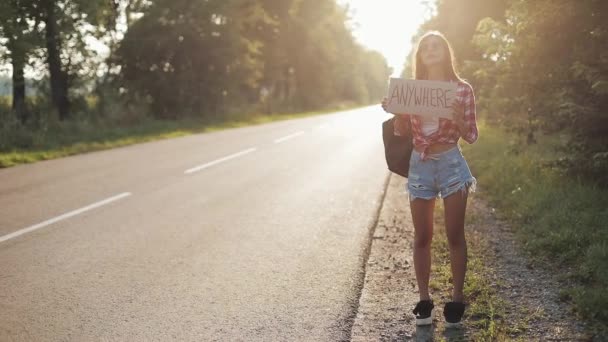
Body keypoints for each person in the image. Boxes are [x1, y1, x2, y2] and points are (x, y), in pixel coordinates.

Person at [381, 30, 479, 328]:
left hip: (451, 163)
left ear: (446, 52)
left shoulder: (462, 90)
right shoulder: (413, 91)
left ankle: (457, 300)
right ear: (420, 56)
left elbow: (471, 135)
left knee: (454, 234)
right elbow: (401, 131)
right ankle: (424, 300)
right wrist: (398, 112)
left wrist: (457, 118)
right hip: (421, 165)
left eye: (437, 45)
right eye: (426, 47)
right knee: (422, 235)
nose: (431, 50)